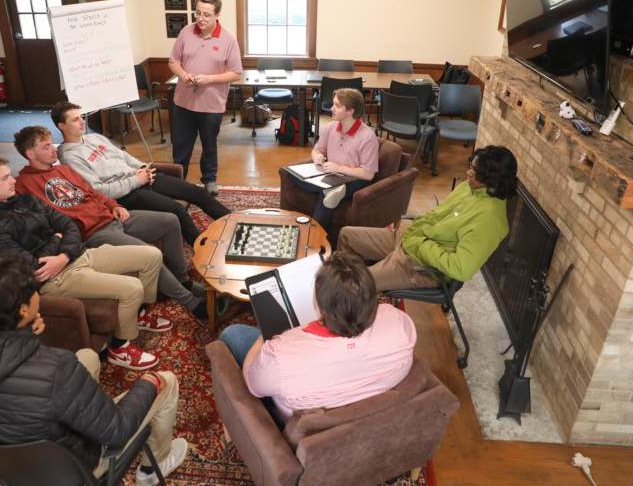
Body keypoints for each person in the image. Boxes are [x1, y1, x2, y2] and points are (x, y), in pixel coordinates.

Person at [0, 256, 188, 486]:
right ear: (23, 311)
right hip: (74, 468)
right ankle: (151, 471)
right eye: (32, 292)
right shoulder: (57, 368)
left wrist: (24, 333)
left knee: (88, 357)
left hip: (10, 461)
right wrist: (149, 382)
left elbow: (19, 376)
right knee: (166, 381)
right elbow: (117, 430)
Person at [0, 155, 163, 370]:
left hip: (76, 256)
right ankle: (119, 347)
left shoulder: (25, 199)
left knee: (151, 255)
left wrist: (63, 253)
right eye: (4, 178)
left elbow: (69, 225)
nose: (12, 180)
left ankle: (137, 313)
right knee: (132, 287)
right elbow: (33, 267)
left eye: (10, 175)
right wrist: (57, 240)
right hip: (55, 278)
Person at [11, 125, 206, 316]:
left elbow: (93, 192)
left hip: (111, 217)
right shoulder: (23, 185)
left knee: (170, 220)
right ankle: (191, 303)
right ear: (30, 153)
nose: (53, 149)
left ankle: (182, 279)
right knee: (149, 254)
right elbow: (35, 221)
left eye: (50, 144)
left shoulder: (64, 170)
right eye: (45, 147)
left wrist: (114, 206)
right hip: (94, 233)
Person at [217, 251, 416, 422]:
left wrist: (265, 339)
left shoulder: (280, 355)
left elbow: (253, 385)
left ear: (321, 306)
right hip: (363, 412)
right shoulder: (399, 322)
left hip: (305, 423)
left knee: (232, 334)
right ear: (373, 298)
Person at [339, 145, 518, 291]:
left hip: (423, 266)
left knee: (355, 285)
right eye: (471, 165)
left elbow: (461, 268)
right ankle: (354, 290)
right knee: (346, 235)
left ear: (491, 178)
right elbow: (437, 215)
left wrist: (420, 245)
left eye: (475, 170)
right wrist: (413, 229)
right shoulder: (469, 187)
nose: (468, 172)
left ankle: (353, 299)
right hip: (411, 239)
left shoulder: (489, 220)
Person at [52, 101, 230, 245]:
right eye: (75, 120)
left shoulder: (94, 137)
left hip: (141, 178)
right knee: (176, 210)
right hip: (126, 194)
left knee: (197, 192)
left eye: (82, 117)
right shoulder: (70, 157)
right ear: (61, 126)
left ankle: (234, 221)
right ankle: (202, 248)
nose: (82, 122)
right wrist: (136, 180)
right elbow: (99, 191)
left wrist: (142, 167)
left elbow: (123, 156)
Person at [168, 0, 243, 195]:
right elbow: (173, 61)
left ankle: (209, 180)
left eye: (207, 15)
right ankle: (177, 183)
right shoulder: (185, 32)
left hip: (211, 105)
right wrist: (183, 75)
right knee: (181, 147)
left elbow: (236, 73)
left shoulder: (228, 39)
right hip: (183, 103)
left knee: (209, 145)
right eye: (198, 13)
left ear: (217, 15)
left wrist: (208, 79)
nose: (201, 18)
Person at [286, 88, 378, 232]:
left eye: (337, 105)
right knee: (290, 173)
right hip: (330, 175)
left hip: (354, 179)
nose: (331, 108)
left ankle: (315, 238)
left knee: (325, 198)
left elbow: (368, 174)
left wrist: (339, 168)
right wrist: (316, 156)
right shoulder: (331, 127)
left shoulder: (367, 137)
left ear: (350, 111)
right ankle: (332, 190)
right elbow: (317, 149)